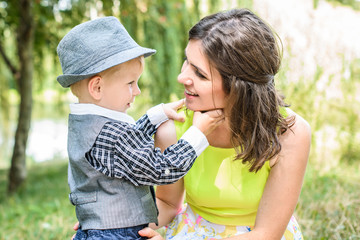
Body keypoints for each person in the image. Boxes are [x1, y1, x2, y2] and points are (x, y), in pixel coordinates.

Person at [138, 8, 311, 240]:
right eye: (186, 61)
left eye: (200, 74)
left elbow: (266, 233)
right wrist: (111, 223)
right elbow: (167, 202)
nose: (182, 77)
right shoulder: (172, 127)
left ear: (238, 88)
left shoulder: (290, 133)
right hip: (193, 231)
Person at [57, 17, 224, 240]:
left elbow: (126, 149)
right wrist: (197, 134)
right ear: (97, 87)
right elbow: (162, 169)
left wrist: (156, 116)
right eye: (130, 83)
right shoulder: (111, 135)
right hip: (118, 234)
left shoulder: (87, 124)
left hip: (99, 228)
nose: (137, 91)